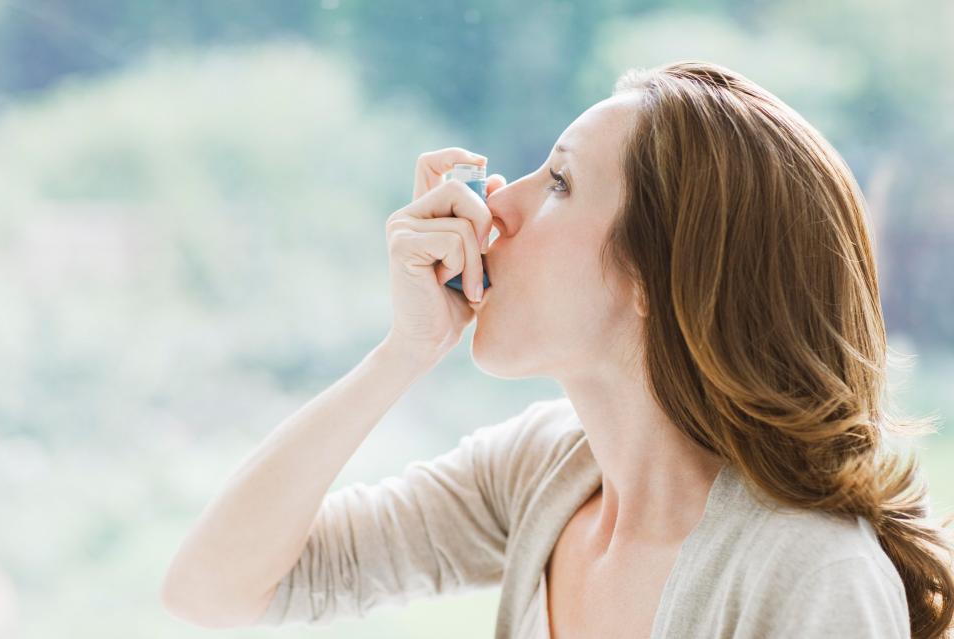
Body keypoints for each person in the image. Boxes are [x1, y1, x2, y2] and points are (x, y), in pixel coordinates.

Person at [160, 61, 954, 638]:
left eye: (561, 182)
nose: (497, 204)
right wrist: (405, 350)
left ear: (659, 276)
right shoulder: (543, 472)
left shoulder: (807, 574)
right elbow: (213, 589)